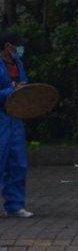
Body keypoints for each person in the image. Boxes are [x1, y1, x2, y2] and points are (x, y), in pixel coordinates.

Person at [0, 31, 31, 218]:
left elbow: (24, 82)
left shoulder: (17, 64)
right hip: (2, 116)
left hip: (15, 117)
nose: (19, 49)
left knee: (18, 163)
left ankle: (15, 205)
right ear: (7, 47)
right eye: (16, 45)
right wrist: (11, 90)